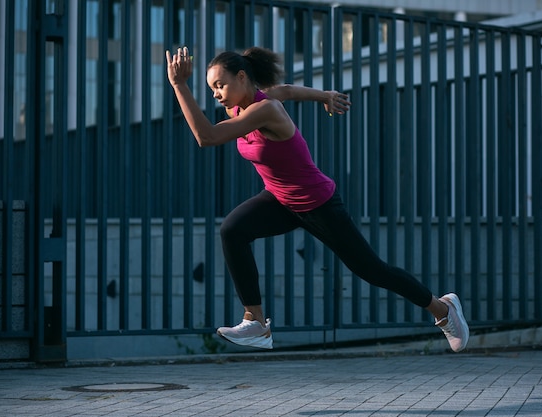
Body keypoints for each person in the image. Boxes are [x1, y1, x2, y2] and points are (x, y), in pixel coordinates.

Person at [166, 46, 469, 352]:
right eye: (211, 88)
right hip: (280, 200)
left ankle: (443, 310)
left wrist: (180, 85)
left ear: (242, 77)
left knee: (372, 270)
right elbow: (287, 90)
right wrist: (324, 96)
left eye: (220, 85)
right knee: (232, 230)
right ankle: (256, 322)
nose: (216, 94)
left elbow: (208, 137)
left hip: (318, 204)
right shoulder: (241, 108)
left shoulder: (265, 109)